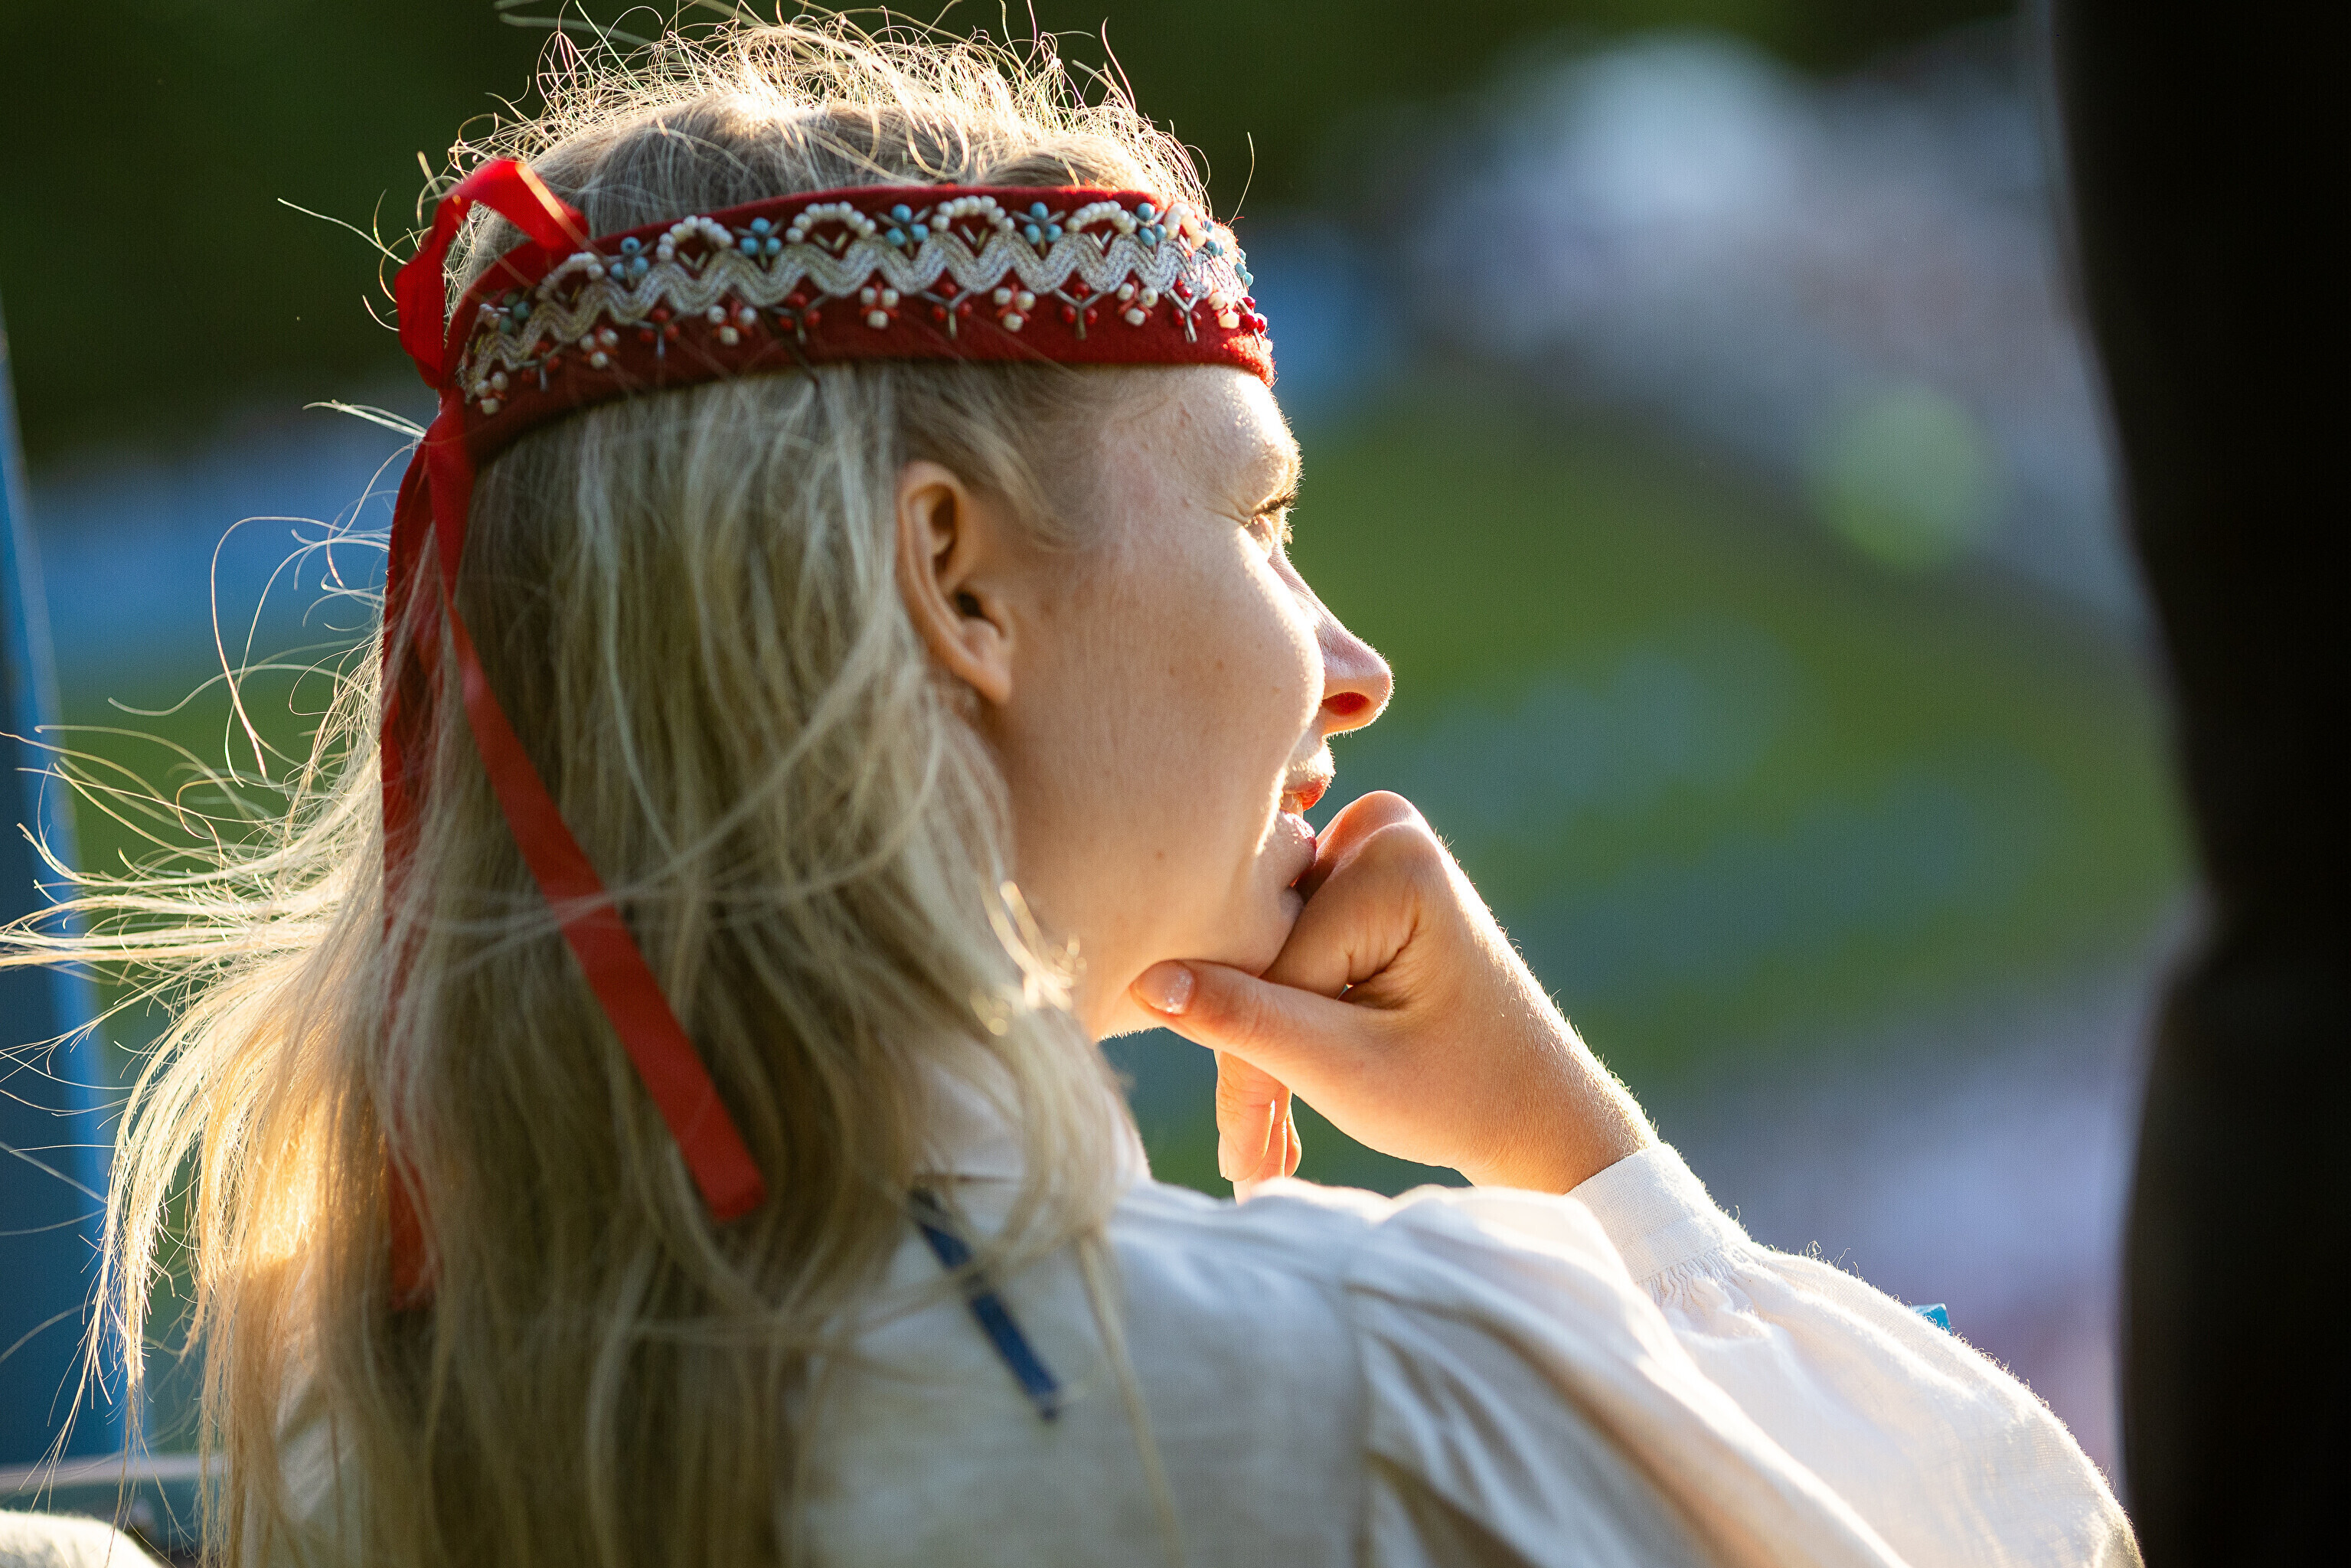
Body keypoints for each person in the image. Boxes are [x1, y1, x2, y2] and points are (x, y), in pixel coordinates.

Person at [2, 19, 2134, 1568]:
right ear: (956, 581)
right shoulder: (1339, 1403)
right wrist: (1593, 1173)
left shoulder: (334, 1470)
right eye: (1264, 524)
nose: (1353, 662)